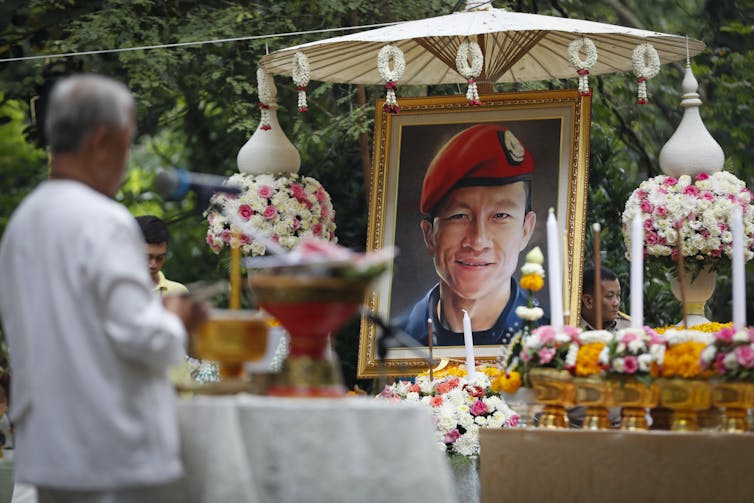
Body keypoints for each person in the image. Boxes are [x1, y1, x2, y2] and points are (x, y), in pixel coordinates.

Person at [0, 74, 209, 503]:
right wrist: (176, 320)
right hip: (112, 450)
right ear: (101, 140)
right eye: (127, 143)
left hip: (48, 448)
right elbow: (143, 338)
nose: (127, 158)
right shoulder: (104, 220)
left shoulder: (22, 224)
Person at [396, 123, 545, 346]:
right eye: (459, 216)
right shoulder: (397, 341)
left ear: (526, 230)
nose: (477, 241)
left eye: (500, 215)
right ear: (429, 236)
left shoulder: (549, 343)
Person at [135, 214, 189, 296]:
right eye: (147, 257)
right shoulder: (115, 291)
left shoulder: (178, 292)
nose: (153, 265)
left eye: (159, 258)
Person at [579, 265, 631, 332]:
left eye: (618, 295)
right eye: (609, 296)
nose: (617, 303)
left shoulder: (628, 328)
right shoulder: (569, 329)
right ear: (588, 301)